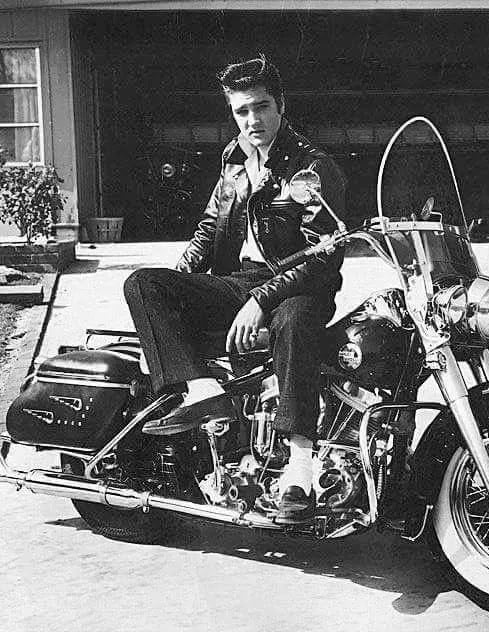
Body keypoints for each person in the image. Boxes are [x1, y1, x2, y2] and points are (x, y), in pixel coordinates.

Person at [124, 55, 346, 524]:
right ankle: (203, 391)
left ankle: (299, 468)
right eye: (242, 111)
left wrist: (260, 301)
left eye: (261, 107)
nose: (252, 120)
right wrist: (178, 287)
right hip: (239, 282)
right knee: (144, 285)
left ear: (281, 105)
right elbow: (209, 229)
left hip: (297, 285)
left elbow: (325, 256)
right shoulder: (234, 159)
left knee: (295, 318)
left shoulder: (313, 166)